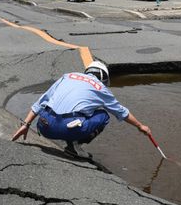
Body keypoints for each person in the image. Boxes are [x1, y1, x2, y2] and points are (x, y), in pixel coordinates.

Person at [11, 61, 152, 157]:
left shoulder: (67, 76)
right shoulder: (100, 87)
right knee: (104, 115)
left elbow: (42, 101)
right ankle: (75, 145)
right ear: (104, 77)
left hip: (43, 125)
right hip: (66, 127)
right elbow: (122, 112)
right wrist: (140, 126)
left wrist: (26, 124)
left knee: (66, 111)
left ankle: (66, 137)